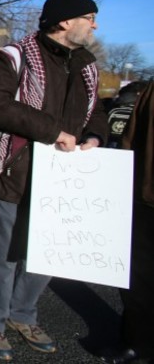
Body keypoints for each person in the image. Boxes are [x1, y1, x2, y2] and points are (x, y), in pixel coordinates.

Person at [0, 0, 108, 361]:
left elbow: (96, 113)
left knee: (49, 253)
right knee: (3, 254)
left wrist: (95, 137)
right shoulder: (15, 56)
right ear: (66, 20)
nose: (94, 26)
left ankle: (23, 314)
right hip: (18, 171)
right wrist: (54, 132)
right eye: (90, 18)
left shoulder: (86, 65)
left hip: (66, 180)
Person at [100, 82, 154, 364]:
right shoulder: (149, 92)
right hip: (144, 197)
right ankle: (136, 343)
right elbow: (130, 139)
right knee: (138, 279)